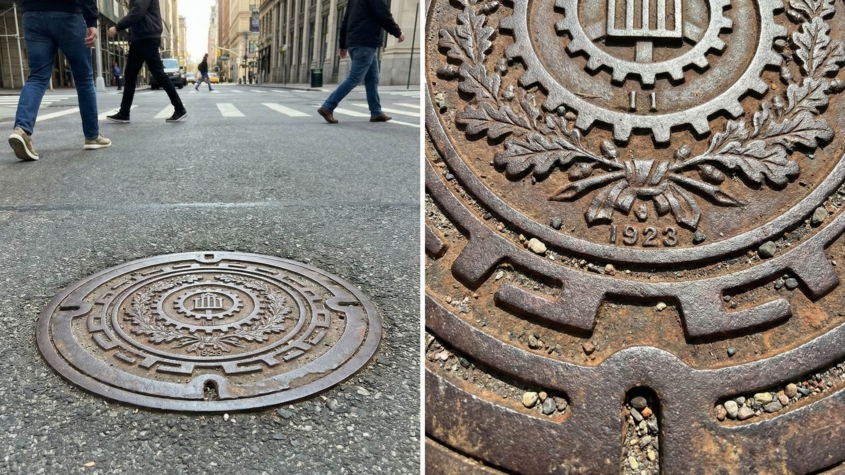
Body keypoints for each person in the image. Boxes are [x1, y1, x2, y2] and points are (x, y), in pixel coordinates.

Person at [8, 0, 112, 161]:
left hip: (32, 13)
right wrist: (91, 20)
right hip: (67, 13)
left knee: (37, 77)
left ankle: (22, 129)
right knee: (83, 77)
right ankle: (92, 136)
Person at [317, 0, 404, 124]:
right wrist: (398, 32)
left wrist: (342, 45)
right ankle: (328, 106)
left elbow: (345, 22)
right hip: (365, 43)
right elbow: (382, 14)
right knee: (354, 77)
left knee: (372, 78)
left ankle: (376, 112)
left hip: (356, 43)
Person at [105, 0, 187, 123]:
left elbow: (138, 12)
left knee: (158, 74)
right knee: (130, 74)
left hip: (147, 37)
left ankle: (179, 108)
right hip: (141, 37)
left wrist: (117, 27)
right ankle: (124, 113)